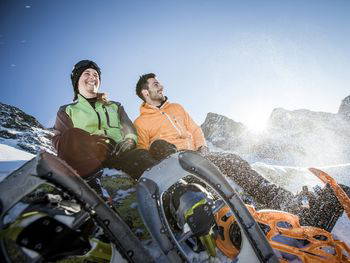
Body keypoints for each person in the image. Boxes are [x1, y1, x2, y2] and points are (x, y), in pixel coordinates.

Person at [133, 73, 347, 231]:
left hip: (198, 156)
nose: (161, 86)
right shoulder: (141, 122)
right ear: (145, 92)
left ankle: (290, 205)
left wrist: (202, 147)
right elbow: (144, 151)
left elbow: (195, 129)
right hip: (177, 166)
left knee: (234, 162)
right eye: (155, 84)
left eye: (159, 82)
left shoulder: (176, 108)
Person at [52, 60, 157, 191]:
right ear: (77, 81)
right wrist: (93, 141)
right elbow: (60, 141)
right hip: (89, 157)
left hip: (119, 153)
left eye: (96, 75)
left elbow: (128, 126)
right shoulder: (67, 110)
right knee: (72, 136)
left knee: (142, 156)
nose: (92, 77)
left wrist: (129, 140)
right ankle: (89, 190)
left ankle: (174, 197)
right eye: (87, 73)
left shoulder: (114, 106)